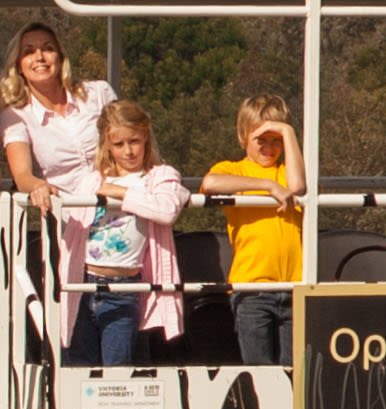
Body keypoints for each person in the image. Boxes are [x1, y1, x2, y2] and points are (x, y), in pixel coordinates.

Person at [0, 20, 115, 329]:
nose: (40, 57)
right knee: (80, 325)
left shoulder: (98, 93)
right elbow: (23, 175)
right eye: (29, 51)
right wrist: (38, 187)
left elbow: (131, 142)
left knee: (123, 321)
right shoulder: (15, 115)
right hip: (71, 228)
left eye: (48, 49)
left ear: (60, 57)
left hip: (118, 217)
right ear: (19, 65)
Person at [67, 98, 189, 364]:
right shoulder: (92, 180)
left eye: (134, 141)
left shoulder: (159, 176)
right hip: (83, 284)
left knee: (117, 368)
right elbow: (71, 232)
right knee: (78, 369)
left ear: (145, 137)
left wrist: (120, 193)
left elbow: (166, 210)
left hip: (124, 287)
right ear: (107, 145)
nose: (128, 151)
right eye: (119, 144)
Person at [196, 92, 306, 364]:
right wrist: (267, 186)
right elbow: (210, 183)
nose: (269, 146)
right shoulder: (236, 170)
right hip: (252, 289)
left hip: (295, 287)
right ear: (243, 136)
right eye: (261, 139)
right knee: (260, 375)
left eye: (276, 140)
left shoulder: (288, 171)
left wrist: (288, 132)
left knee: (295, 373)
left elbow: (298, 187)